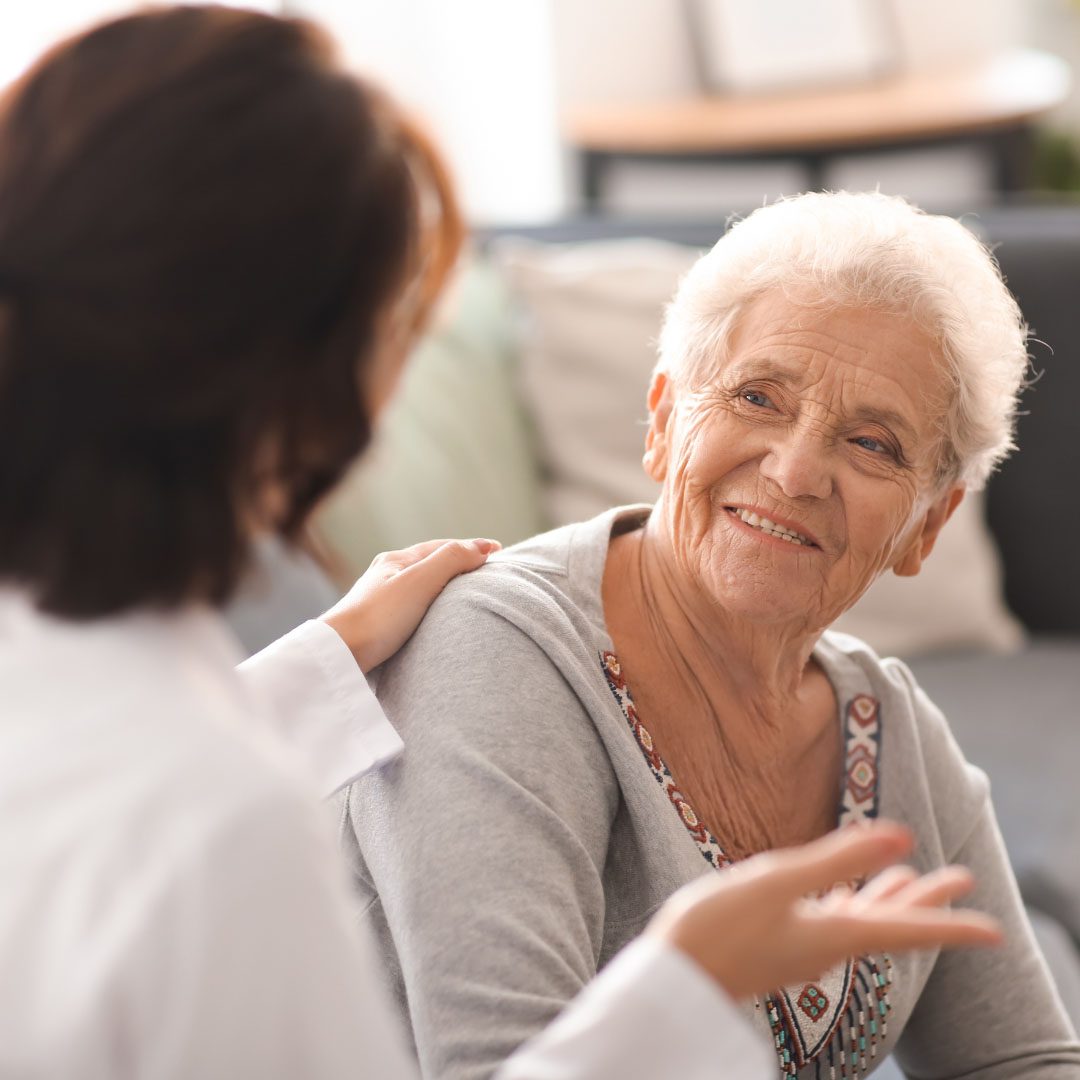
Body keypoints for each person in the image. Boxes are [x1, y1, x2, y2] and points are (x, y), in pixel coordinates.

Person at [0, 9, 1003, 1079]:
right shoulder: (237, 819)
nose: (800, 468)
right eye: (400, 328)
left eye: (870, 442)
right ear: (314, 396)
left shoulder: (116, 708)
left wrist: (316, 671)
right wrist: (684, 991)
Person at [346, 191, 1080, 1078]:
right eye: (758, 396)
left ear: (927, 526)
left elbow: (1026, 1060)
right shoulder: (497, 652)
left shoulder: (894, 736)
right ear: (662, 422)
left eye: (874, 444)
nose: (797, 469)